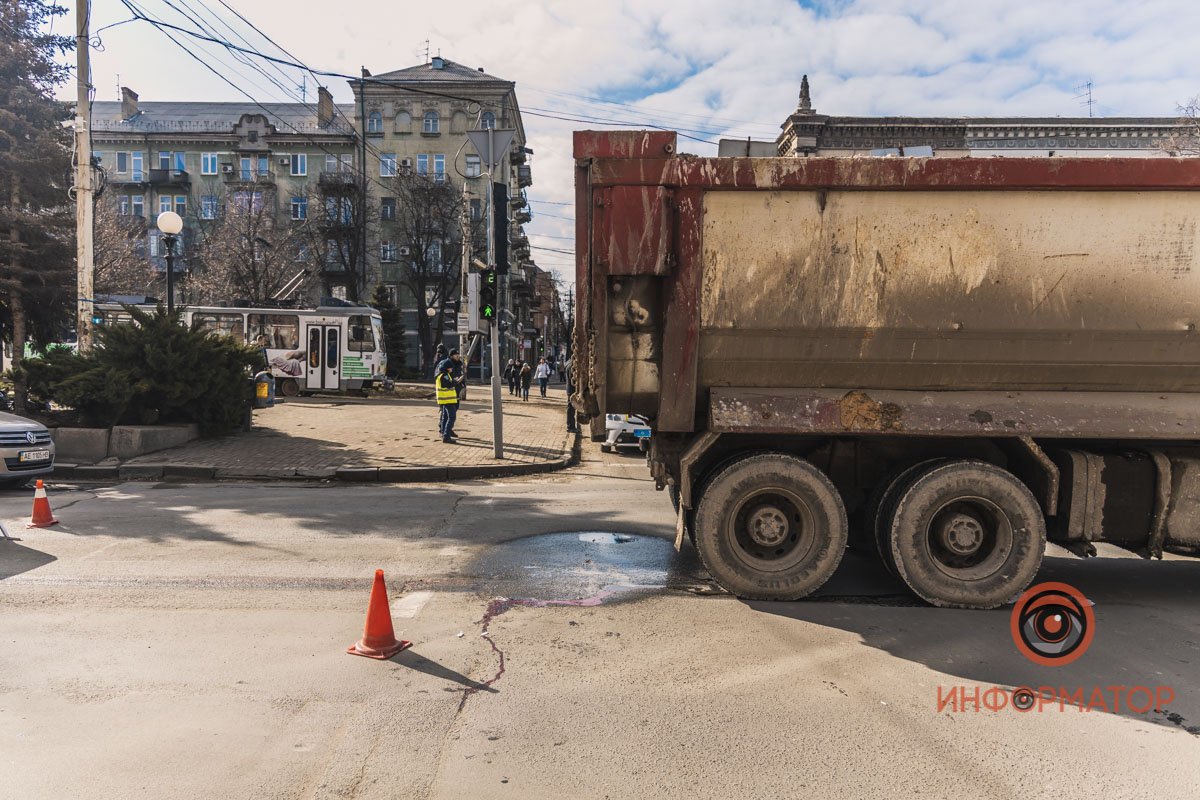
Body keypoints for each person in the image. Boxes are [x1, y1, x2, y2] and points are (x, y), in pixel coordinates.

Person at [435, 358, 459, 443]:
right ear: (447, 367)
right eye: (450, 368)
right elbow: (448, 385)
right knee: (452, 417)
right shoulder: (444, 375)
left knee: (445, 417)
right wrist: (455, 382)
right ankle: (446, 436)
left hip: (445, 400)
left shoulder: (443, 374)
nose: (451, 369)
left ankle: (443, 432)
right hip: (447, 399)